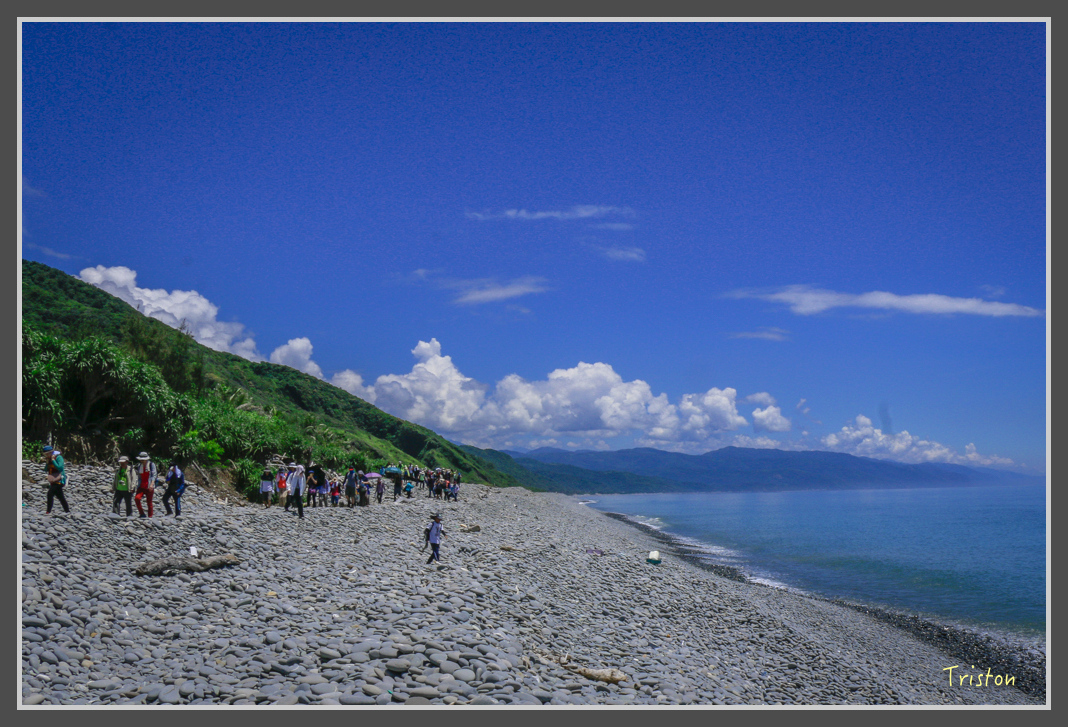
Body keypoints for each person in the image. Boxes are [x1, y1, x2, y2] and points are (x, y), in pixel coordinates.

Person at [43, 445, 70, 516]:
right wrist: (47, 462)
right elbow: (46, 469)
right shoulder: (49, 459)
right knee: (61, 497)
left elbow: (60, 468)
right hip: (53, 480)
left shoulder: (58, 457)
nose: (46, 455)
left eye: (47, 454)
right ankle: (67, 511)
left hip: (60, 479)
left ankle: (48, 511)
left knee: (50, 493)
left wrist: (53, 460)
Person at [132, 452, 157, 518]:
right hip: (141, 486)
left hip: (149, 486)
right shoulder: (139, 466)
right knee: (137, 498)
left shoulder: (151, 465)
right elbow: (139, 476)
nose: (141, 461)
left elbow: (154, 475)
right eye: (141, 460)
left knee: (149, 502)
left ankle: (150, 516)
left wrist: (151, 485)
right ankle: (142, 513)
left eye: (143, 460)